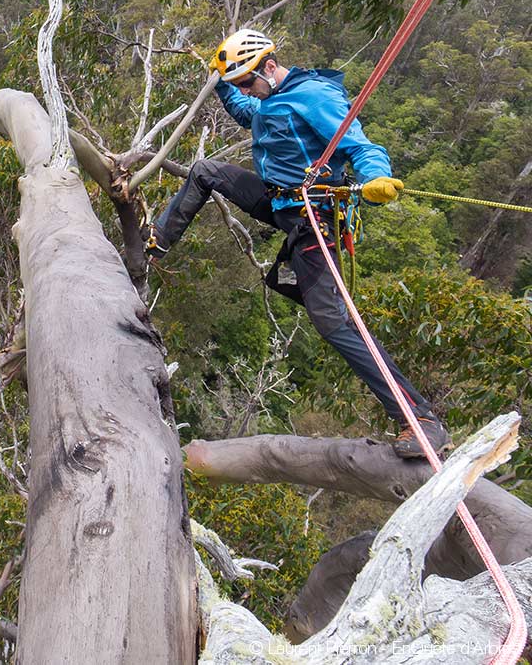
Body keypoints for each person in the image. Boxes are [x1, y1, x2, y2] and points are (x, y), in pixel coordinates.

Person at [146, 28, 451, 459]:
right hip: (279, 202)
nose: (244, 88)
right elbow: (247, 110)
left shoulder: (315, 96)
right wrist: (219, 82)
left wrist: (375, 177)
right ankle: (154, 243)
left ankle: (419, 419)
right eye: (240, 83)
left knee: (334, 322)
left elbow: (360, 145)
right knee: (205, 171)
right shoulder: (269, 97)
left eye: (247, 80)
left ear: (270, 66)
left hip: (313, 216)